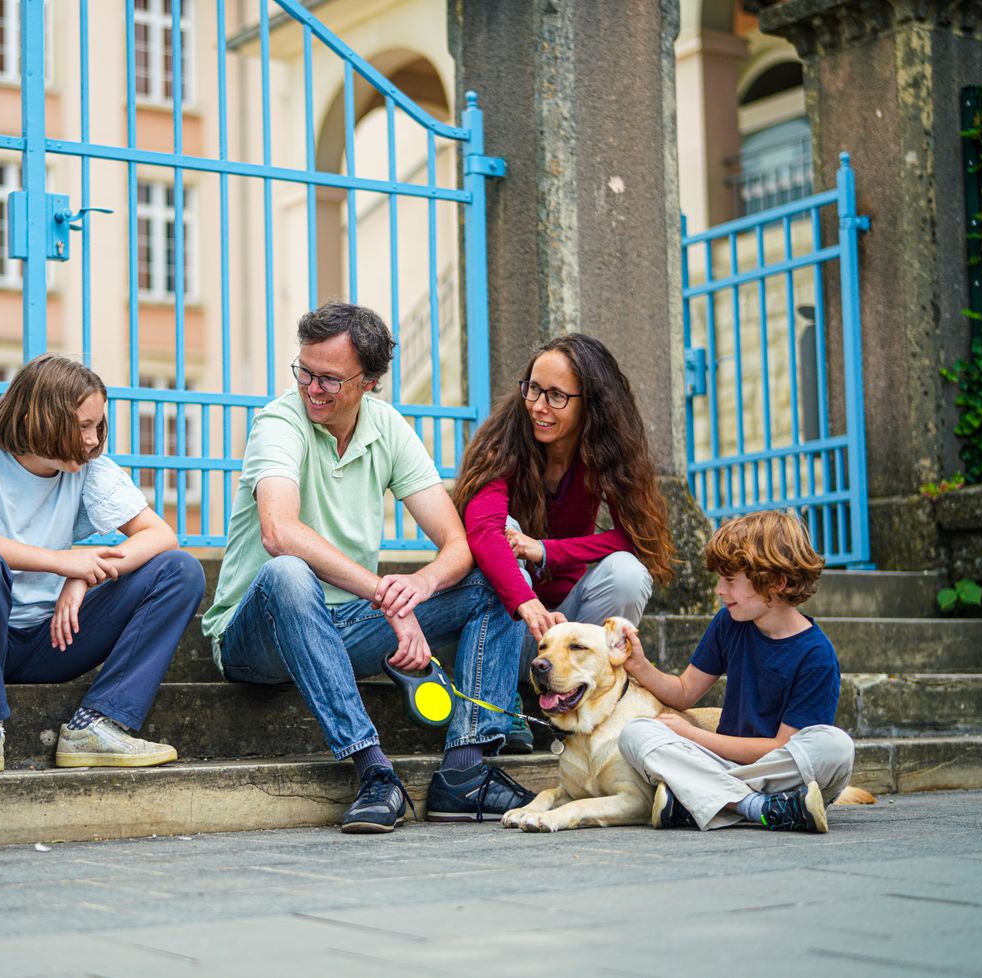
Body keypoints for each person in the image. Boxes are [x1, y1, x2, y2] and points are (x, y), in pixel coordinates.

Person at [202, 300, 535, 834]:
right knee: (289, 572)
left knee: (497, 570)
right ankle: (374, 772)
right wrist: (385, 595)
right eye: (305, 371)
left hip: (350, 625)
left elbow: (458, 542)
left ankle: (466, 770)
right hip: (255, 635)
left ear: (371, 381)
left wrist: (418, 587)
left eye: (329, 379)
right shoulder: (279, 421)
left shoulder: (387, 428)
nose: (312, 388)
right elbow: (279, 532)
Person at [0, 353, 204, 774]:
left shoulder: (88, 470)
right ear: (38, 417)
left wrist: (83, 576)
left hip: (48, 641)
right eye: (83, 426)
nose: (92, 439)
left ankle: (96, 724)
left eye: (98, 425)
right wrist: (62, 563)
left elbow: (160, 535)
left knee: (180, 570)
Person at [452, 333, 675, 751]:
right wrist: (526, 601)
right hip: (506, 627)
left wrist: (549, 550)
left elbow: (639, 536)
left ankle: (583, 697)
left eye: (557, 396)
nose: (538, 405)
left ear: (589, 402)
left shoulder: (606, 454)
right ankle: (503, 700)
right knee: (505, 530)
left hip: (568, 625)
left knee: (628, 573)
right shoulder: (504, 441)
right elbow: (482, 530)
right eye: (533, 389)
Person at [616, 510, 855, 833]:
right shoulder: (730, 622)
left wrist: (690, 734)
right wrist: (640, 666)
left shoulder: (817, 655)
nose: (719, 590)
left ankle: (701, 800)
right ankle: (757, 808)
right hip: (726, 765)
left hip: (780, 773)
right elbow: (684, 692)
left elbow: (780, 748)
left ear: (776, 583)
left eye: (729, 580)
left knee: (836, 747)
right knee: (635, 733)